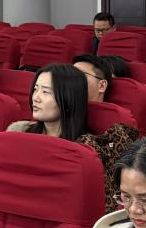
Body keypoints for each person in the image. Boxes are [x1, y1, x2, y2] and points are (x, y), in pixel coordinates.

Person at [9, 63, 138, 206]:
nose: (36, 97)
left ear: (69, 97)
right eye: (35, 89)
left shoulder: (86, 148)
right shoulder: (18, 133)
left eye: (45, 92)